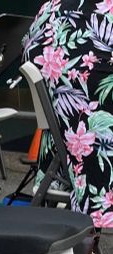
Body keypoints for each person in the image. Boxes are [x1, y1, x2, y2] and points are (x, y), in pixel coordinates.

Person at [24, 0, 113, 228]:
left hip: (61, 151)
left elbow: (28, 51)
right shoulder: (105, 12)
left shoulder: (49, 8)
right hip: (97, 162)